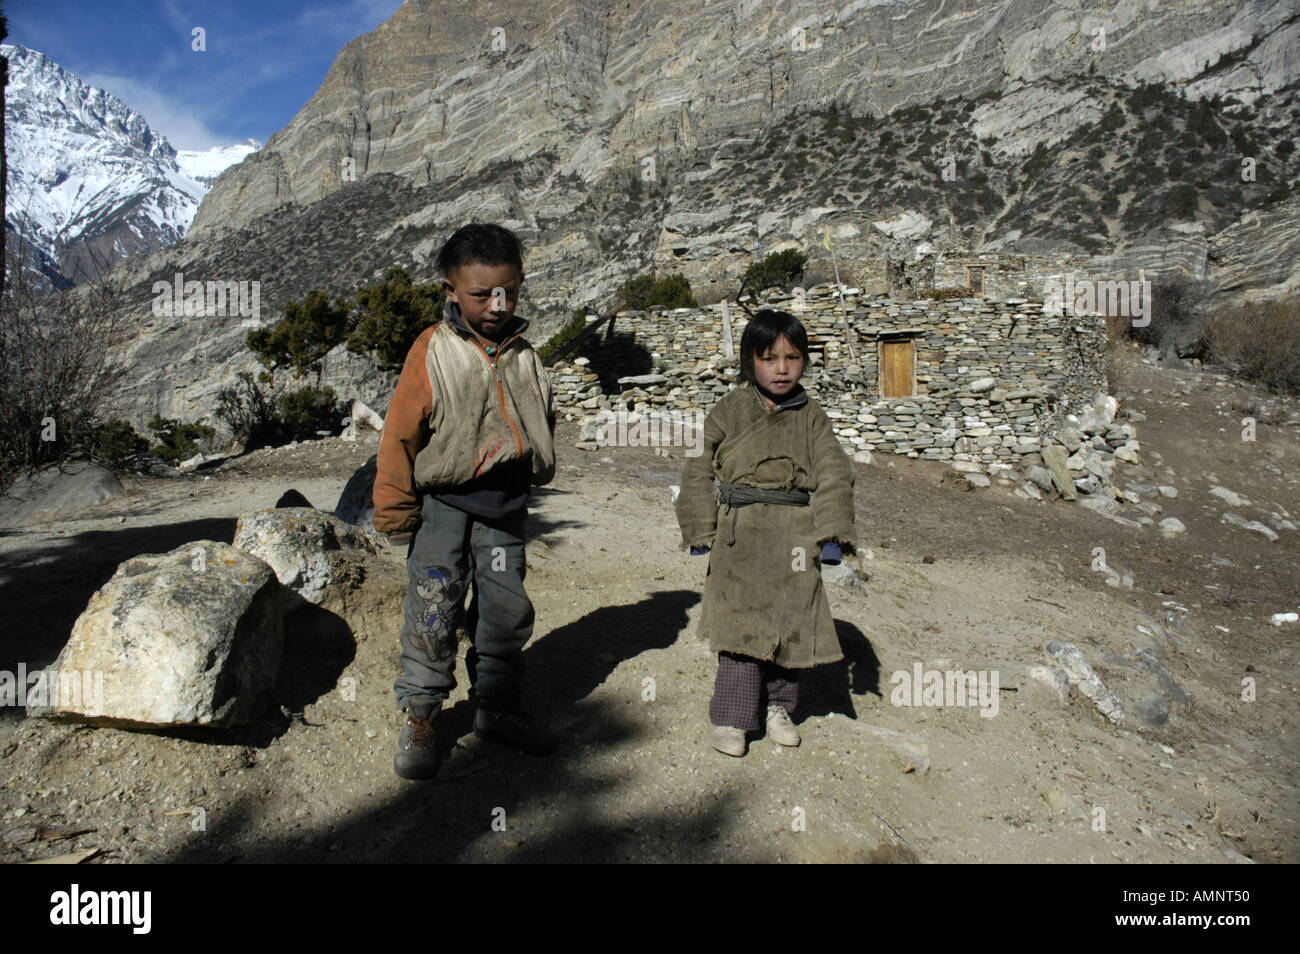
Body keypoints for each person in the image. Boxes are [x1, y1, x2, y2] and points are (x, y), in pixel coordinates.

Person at [372, 222, 557, 780]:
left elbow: (540, 418)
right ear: (451, 290)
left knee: (504, 611)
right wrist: (396, 511)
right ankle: (422, 713)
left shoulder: (523, 354)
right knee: (434, 606)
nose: (497, 305)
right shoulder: (432, 351)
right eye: (482, 294)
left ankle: (496, 707)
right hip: (443, 509)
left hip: (503, 508)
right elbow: (400, 435)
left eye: (509, 292)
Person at [675, 309, 856, 757]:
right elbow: (697, 464)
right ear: (748, 360)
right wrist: (700, 527)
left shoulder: (811, 415)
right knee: (738, 626)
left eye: (792, 358)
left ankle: (779, 707)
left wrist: (831, 534)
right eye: (769, 357)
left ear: (805, 362)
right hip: (739, 533)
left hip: (795, 533)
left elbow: (834, 471)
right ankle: (733, 718)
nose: (781, 368)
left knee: (791, 621)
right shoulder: (730, 409)